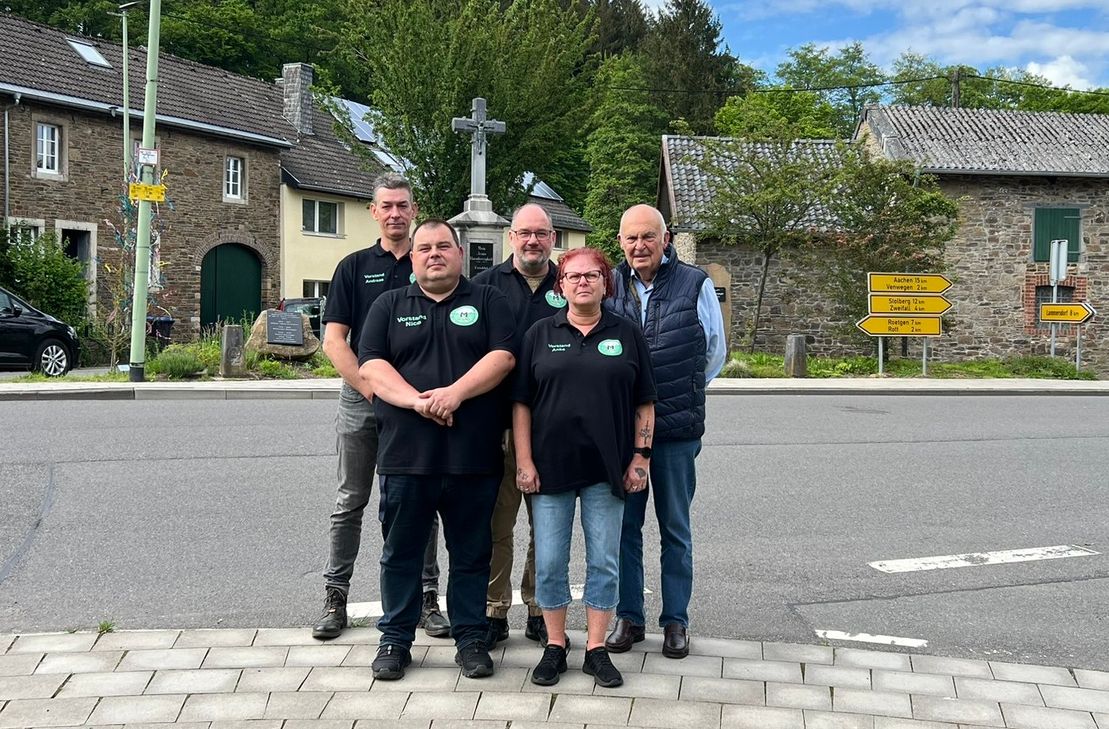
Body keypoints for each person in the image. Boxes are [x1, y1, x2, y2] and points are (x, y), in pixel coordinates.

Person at [358, 219, 515, 681]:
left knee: (471, 554)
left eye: (443, 246)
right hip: (407, 456)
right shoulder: (389, 305)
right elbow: (371, 366)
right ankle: (395, 639)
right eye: (424, 248)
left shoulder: (488, 300)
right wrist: (418, 402)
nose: (434, 254)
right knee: (401, 553)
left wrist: (454, 394)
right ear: (412, 257)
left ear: (459, 254)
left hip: (473, 456)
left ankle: (471, 639)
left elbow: (503, 357)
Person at [313, 174, 449, 641]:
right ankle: (335, 596)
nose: (395, 213)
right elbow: (334, 341)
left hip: (417, 403)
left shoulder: (429, 259)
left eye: (402, 205)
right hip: (363, 399)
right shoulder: (353, 267)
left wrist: (416, 398)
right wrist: (373, 390)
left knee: (421, 498)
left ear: (414, 210)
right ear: (373, 211)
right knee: (350, 499)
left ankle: (427, 597)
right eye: (386, 206)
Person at [513, 247, 656, 688]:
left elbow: (645, 402)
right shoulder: (540, 333)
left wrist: (641, 457)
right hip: (550, 469)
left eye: (591, 275)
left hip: (607, 469)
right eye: (573, 276)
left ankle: (596, 649)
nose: (582, 283)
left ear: (605, 283)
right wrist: (524, 461)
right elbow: (521, 405)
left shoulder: (627, 334)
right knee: (550, 562)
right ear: (561, 285)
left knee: (604, 562)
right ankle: (556, 645)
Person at [604, 204, 726, 660]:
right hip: (622, 433)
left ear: (665, 239)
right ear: (621, 242)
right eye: (631, 238)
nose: (640, 246)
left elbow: (714, 351)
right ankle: (629, 617)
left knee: (675, 527)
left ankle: (676, 620)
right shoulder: (609, 283)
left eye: (648, 237)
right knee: (625, 529)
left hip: (676, 429)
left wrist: (682, 389)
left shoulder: (694, 283)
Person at [473, 203, 566, 649]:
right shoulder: (484, 285)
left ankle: (538, 607)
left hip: (553, 426)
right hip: (495, 426)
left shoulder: (568, 284)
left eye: (541, 233)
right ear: (511, 237)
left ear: (553, 238)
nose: (533, 241)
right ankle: (494, 610)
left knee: (547, 526)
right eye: (525, 233)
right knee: (497, 524)